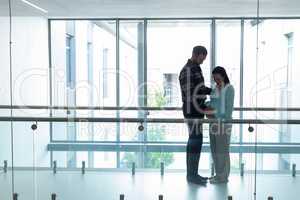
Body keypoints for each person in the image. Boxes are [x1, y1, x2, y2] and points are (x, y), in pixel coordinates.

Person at [179, 46, 212, 185]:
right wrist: (212, 92)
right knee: (194, 141)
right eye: (202, 57)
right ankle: (191, 176)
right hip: (192, 110)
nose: (203, 60)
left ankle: (193, 174)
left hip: (195, 109)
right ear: (196, 54)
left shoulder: (195, 68)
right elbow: (192, 93)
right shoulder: (188, 70)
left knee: (195, 142)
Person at [206, 66, 235, 184]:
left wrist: (219, 119)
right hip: (212, 122)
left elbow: (228, 109)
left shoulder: (229, 89)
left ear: (223, 76)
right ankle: (218, 175)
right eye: (214, 79)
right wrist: (207, 107)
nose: (216, 81)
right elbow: (212, 102)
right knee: (215, 150)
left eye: (217, 78)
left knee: (222, 151)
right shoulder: (214, 88)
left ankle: (223, 176)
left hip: (223, 124)